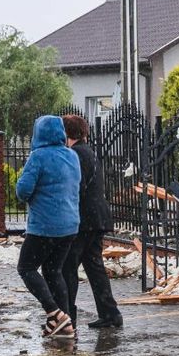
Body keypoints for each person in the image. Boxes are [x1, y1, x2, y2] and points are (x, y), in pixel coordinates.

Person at [15, 115, 81, 339]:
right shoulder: (72, 155)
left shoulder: (38, 157)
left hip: (44, 226)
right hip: (69, 225)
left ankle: (55, 313)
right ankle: (64, 324)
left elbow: (23, 191)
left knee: (26, 268)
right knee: (54, 271)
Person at [60, 114, 123, 329]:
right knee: (94, 267)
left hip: (83, 220)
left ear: (66, 133)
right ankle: (110, 314)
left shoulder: (75, 154)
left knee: (68, 268)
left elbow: (76, 187)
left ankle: (68, 316)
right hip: (97, 217)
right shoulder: (89, 152)